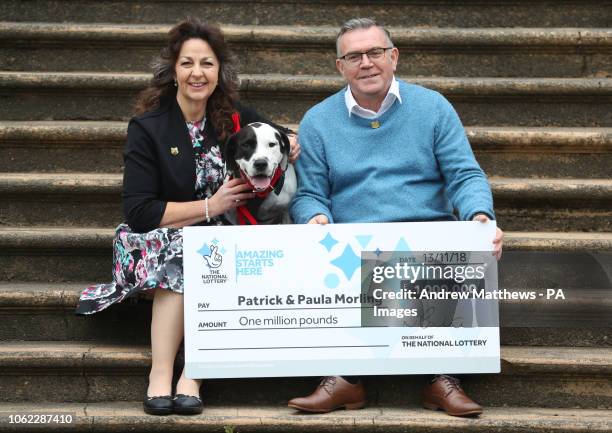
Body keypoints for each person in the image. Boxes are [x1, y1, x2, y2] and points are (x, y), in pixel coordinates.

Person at [75, 17, 299, 416]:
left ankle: (193, 374)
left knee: (208, 249)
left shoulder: (232, 117)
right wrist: (211, 206)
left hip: (217, 234)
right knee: (188, 251)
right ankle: (164, 373)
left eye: (207, 64)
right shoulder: (149, 127)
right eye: (188, 63)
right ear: (173, 71)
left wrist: (292, 141)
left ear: (219, 72)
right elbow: (140, 211)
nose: (198, 73)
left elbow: (277, 135)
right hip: (158, 236)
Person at [288, 18, 503, 417]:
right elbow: (310, 193)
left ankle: (440, 376)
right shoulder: (318, 120)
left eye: (375, 53)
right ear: (341, 66)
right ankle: (346, 379)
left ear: (394, 57)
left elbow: (465, 174)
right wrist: (315, 217)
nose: (366, 63)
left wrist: (478, 215)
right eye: (354, 56)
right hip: (355, 238)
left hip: (425, 230)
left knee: (449, 247)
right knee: (341, 254)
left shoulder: (433, 107)